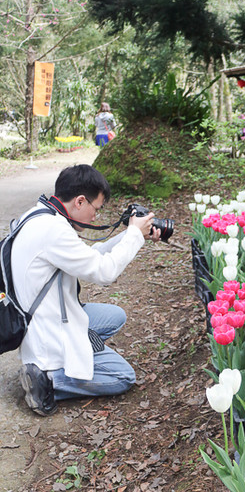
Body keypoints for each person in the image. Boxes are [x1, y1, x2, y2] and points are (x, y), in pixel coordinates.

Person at [11, 164, 161, 416]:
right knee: (123, 376)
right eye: (96, 209)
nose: (95, 218)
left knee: (115, 316)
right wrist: (134, 235)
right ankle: (48, 380)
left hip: (42, 316)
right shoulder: (54, 231)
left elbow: (87, 255)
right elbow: (104, 273)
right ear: (80, 201)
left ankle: (65, 361)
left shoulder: (40, 215)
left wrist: (133, 235)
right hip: (47, 331)